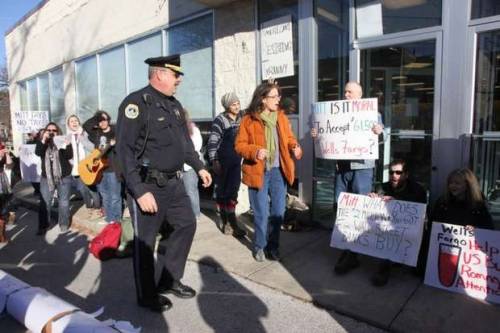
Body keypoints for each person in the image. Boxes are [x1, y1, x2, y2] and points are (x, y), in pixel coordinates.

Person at [116, 55, 212, 312]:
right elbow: (124, 152)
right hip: (148, 186)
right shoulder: (136, 103)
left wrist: (201, 167)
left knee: (187, 224)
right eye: (175, 74)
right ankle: (146, 295)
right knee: (146, 242)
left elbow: (185, 145)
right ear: (159, 74)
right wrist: (138, 190)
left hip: (175, 184)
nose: (179, 79)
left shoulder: (175, 106)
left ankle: (169, 280)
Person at [312, 81, 384, 275]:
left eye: (350, 92)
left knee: (360, 208)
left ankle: (354, 252)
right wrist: (317, 135)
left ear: (360, 95)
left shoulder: (372, 114)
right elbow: (327, 136)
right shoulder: (335, 114)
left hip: (362, 167)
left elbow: (382, 135)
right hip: (342, 167)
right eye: (344, 91)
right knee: (341, 206)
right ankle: (347, 247)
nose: (346, 95)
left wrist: (380, 131)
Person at [235, 81, 302, 262]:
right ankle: (259, 246)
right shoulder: (248, 119)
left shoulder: (281, 117)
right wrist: (255, 151)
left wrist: (294, 146)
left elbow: (289, 138)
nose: (278, 100)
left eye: (278, 96)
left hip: (278, 172)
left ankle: (273, 247)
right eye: (274, 96)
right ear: (263, 99)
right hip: (258, 172)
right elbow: (239, 145)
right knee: (261, 212)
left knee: (278, 212)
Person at [368, 159, 427, 286]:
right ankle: (384, 268)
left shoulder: (417, 190)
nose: (394, 175)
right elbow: (373, 206)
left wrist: (397, 202)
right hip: (388, 229)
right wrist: (372, 198)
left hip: (409, 227)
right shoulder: (383, 187)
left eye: (398, 172)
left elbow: (419, 214)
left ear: (406, 174)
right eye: (391, 172)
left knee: (418, 271)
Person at [207, 92, 246, 238]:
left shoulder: (242, 116)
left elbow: (257, 106)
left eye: (237, 103)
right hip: (223, 162)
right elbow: (213, 141)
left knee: (233, 191)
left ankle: (232, 222)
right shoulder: (220, 120)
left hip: (236, 161)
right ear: (227, 106)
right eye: (233, 104)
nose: (236, 107)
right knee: (222, 192)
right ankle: (225, 222)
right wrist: (214, 161)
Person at [83, 110, 122, 224]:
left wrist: (115, 144)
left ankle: (116, 219)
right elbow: (86, 126)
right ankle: (109, 218)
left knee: (115, 196)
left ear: (108, 120)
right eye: (100, 120)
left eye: (104, 119)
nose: (102, 122)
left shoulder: (116, 131)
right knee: (104, 195)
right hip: (99, 170)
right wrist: (98, 117)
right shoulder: (96, 133)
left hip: (113, 169)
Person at [35, 122, 73, 234]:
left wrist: (67, 144)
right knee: (45, 201)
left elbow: (69, 155)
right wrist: (43, 140)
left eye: (54, 130)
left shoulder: (62, 140)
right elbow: (38, 152)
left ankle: (64, 223)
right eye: (49, 130)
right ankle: (43, 226)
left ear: (58, 131)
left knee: (64, 202)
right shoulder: (42, 142)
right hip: (47, 177)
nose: (51, 132)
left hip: (64, 176)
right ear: (46, 131)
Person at [66, 114, 101, 209]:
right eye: (71, 121)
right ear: (69, 125)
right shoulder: (68, 137)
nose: (74, 123)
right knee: (82, 188)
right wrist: (71, 161)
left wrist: (82, 139)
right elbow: (67, 152)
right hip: (76, 167)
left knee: (91, 188)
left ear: (79, 122)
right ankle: (89, 205)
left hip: (87, 166)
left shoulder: (85, 134)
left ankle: (97, 206)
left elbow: (93, 148)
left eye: (76, 120)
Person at [182, 110, 202, 219]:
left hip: (190, 166)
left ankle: (195, 214)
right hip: (178, 165)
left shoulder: (194, 130)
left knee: (191, 190)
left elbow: (196, 147)